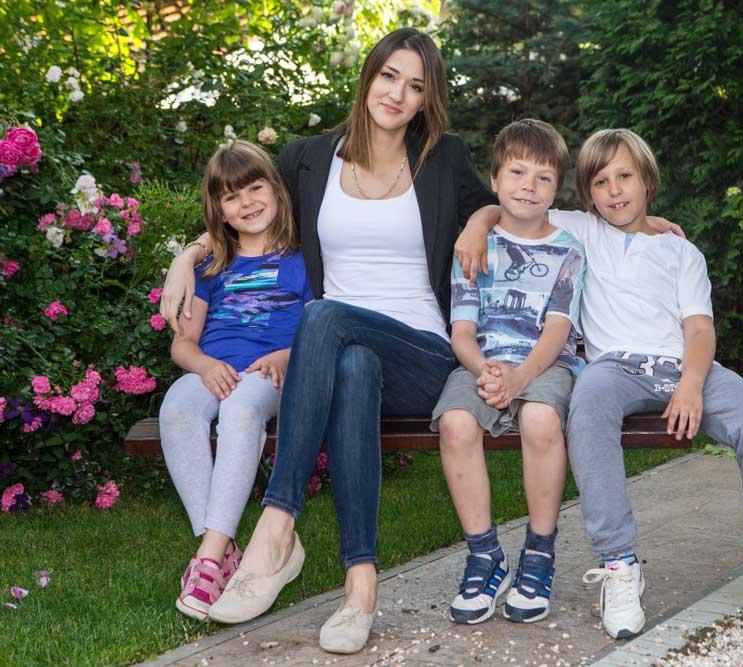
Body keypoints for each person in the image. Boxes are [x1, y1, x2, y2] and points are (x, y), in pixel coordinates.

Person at [159, 29, 496, 653]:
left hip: (420, 350)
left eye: (415, 86)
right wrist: (188, 255)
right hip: (341, 356)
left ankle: (277, 527)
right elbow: (248, 215)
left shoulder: (443, 156)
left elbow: (500, 205)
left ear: (427, 100)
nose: (397, 94)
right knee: (353, 364)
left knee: (324, 318)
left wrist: (477, 222)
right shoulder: (309, 157)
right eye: (389, 76)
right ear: (368, 76)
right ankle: (360, 589)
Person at [455, 128, 743, 640]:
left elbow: (699, 330)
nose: (615, 190)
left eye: (625, 177)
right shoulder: (584, 230)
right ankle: (619, 564)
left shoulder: (681, 253)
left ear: (648, 181)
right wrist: (476, 224)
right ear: (588, 194)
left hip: (686, 365)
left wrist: (691, 384)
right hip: (614, 368)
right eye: (601, 182)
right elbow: (516, 206)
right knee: (587, 408)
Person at [433, 119, 585, 625]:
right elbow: (461, 332)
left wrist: (520, 377)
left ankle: (539, 552)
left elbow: (558, 329)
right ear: (494, 180)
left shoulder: (568, 249)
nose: (528, 186)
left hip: (546, 362)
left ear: (556, 189)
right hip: (480, 360)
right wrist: (486, 369)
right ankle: (485, 555)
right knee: (455, 423)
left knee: (541, 419)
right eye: (517, 172)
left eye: (543, 177)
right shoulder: (473, 246)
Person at [159, 140, 313, 621]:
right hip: (215, 368)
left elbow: (321, 328)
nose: (246, 203)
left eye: (254, 188)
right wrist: (204, 366)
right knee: (177, 409)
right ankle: (221, 548)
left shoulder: (302, 259)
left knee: (241, 408)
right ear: (218, 210)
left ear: (276, 189)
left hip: (269, 373)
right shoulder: (211, 266)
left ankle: (208, 559)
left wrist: (288, 355)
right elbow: (183, 344)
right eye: (231, 196)